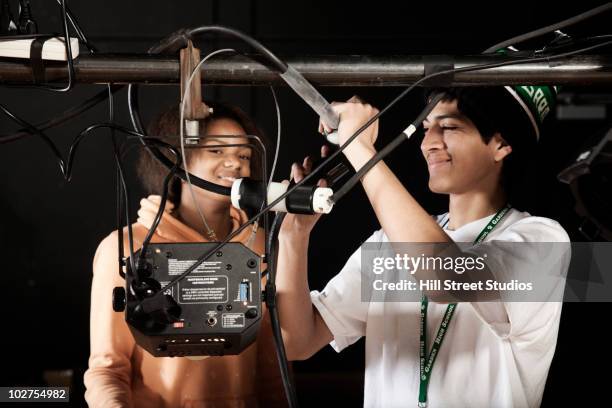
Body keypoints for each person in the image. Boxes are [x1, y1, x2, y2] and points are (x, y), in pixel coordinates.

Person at [276, 87, 571, 407]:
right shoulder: (389, 243)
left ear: (500, 144)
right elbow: (296, 341)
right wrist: (294, 235)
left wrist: (360, 148)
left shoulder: (542, 240)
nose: (429, 142)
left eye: (450, 126)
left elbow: (445, 276)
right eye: (427, 126)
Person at [84, 102, 287, 408]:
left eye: (243, 155)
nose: (234, 163)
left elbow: (274, 365)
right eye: (216, 151)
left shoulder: (260, 245)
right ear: (174, 158)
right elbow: (107, 369)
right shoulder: (127, 248)